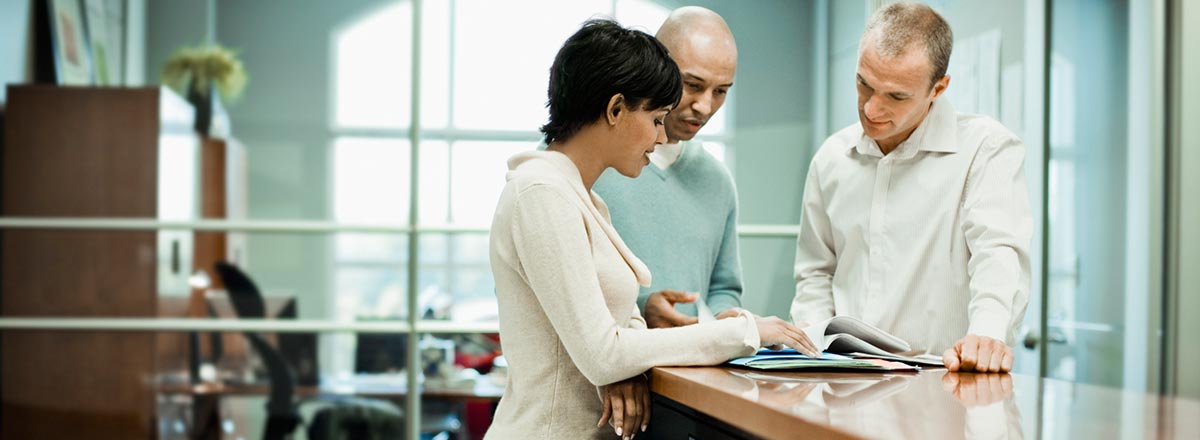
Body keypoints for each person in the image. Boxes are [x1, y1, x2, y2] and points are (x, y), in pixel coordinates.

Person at [488, 19, 818, 440]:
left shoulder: (585, 197)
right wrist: (745, 331)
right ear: (615, 110)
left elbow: (618, 331)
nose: (663, 136)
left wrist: (639, 342)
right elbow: (604, 354)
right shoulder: (543, 194)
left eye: (721, 91)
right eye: (657, 118)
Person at [790, 2, 1032, 373]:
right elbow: (816, 271)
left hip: (943, 379)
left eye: (896, 96)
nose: (871, 109)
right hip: (842, 379)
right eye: (863, 83)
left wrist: (986, 334)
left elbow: (997, 252)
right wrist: (812, 345)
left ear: (939, 88)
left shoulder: (986, 149)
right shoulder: (832, 158)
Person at [592, 6, 745, 329]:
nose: (705, 106)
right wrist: (642, 310)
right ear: (659, 67)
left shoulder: (717, 181)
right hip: (606, 372)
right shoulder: (586, 161)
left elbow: (724, 288)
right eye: (692, 85)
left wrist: (725, 320)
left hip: (688, 373)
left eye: (720, 91)